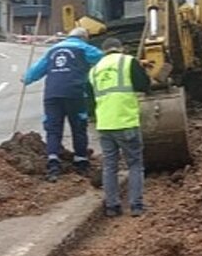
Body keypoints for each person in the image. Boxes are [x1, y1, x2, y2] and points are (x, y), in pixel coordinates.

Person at [22, 27, 104, 182]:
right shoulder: (84, 48)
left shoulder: (53, 50)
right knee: (78, 126)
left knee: (53, 128)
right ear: (84, 38)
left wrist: (27, 78)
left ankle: (53, 163)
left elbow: (38, 68)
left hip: (52, 94)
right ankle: (81, 161)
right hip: (75, 93)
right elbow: (102, 58)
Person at [88, 37, 151, 217]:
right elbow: (144, 85)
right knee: (135, 164)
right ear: (121, 48)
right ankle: (136, 206)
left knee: (109, 166)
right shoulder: (128, 61)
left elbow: (90, 100)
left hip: (105, 125)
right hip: (126, 122)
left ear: (104, 50)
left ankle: (112, 206)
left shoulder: (94, 70)